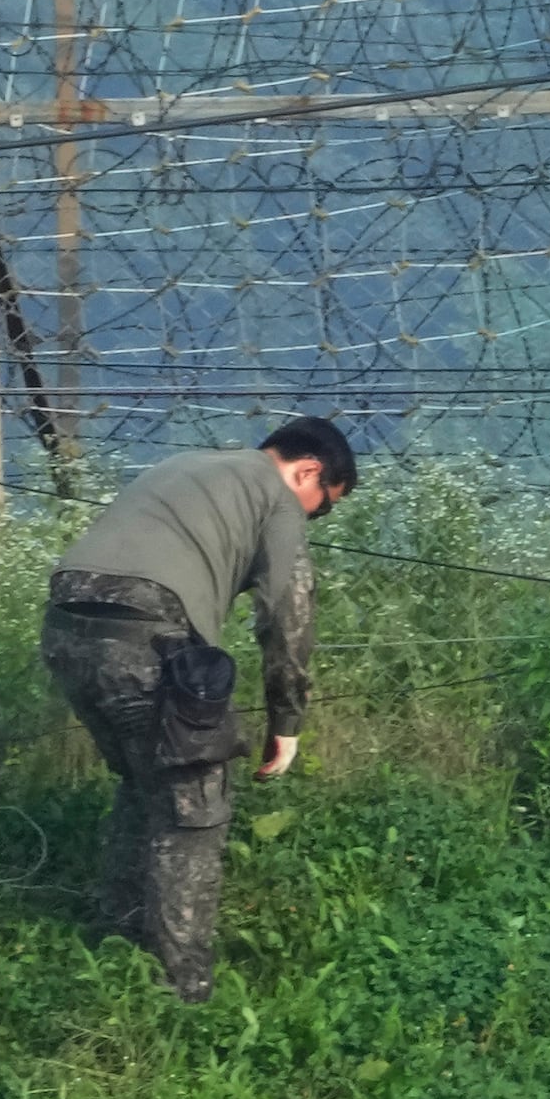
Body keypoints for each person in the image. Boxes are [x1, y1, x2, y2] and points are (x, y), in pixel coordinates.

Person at [39, 415, 356, 1000]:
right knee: (195, 805)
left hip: (65, 626)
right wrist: (287, 721)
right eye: (322, 505)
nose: (313, 517)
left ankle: (117, 937)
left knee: (144, 781)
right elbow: (288, 614)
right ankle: (184, 985)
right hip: (146, 636)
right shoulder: (276, 496)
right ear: (307, 471)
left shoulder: (187, 463)